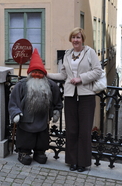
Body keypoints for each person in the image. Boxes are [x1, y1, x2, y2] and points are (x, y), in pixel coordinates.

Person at [47, 27, 103, 172]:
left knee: (84, 131)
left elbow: (98, 71)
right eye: (73, 37)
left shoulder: (89, 52)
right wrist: (46, 74)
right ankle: (72, 161)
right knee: (71, 130)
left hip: (86, 95)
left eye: (78, 37)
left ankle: (83, 163)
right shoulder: (67, 55)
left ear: (82, 39)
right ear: (71, 39)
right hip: (70, 95)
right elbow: (63, 75)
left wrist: (81, 79)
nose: (75, 40)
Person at [8, 48, 63, 165]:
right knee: (26, 137)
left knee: (41, 138)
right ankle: (24, 152)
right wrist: (15, 112)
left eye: (40, 73)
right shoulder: (21, 85)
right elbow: (13, 101)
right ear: (29, 74)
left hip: (42, 119)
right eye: (34, 72)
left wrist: (56, 111)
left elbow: (57, 100)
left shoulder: (51, 86)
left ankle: (39, 151)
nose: (37, 75)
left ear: (44, 74)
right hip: (25, 120)